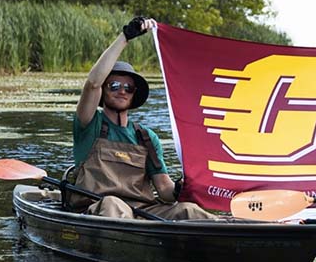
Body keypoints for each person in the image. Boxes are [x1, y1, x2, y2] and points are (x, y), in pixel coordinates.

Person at [69, 16, 217, 220]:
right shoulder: (89, 125)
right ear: (103, 91)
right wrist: (125, 37)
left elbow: (164, 190)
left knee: (189, 211)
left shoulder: (146, 138)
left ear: (133, 94)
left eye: (128, 87)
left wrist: (181, 188)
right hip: (98, 209)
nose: (122, 91)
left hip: (142, 212)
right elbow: (92, 83)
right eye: (114, 86)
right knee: (113, 204)